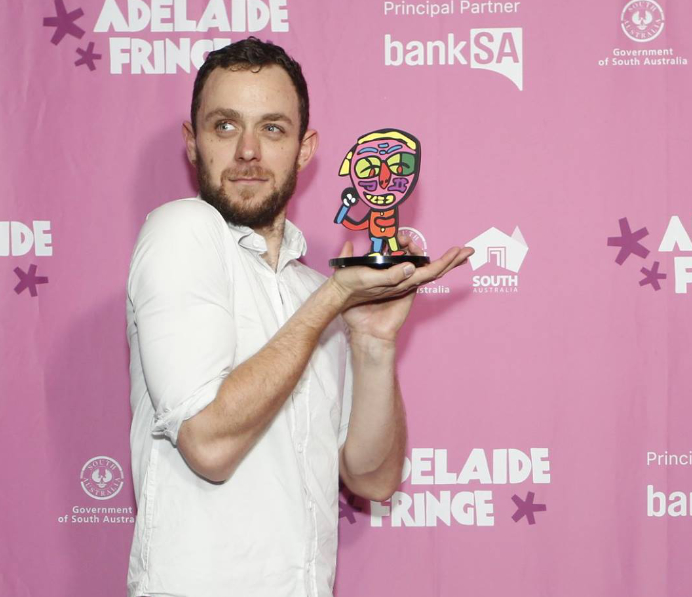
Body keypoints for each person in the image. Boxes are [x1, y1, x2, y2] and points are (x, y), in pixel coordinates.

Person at [124, 37, 472, 597]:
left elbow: (372, 476)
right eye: (224, 126)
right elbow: (209, 447)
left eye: (272, 128)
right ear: (192, 143)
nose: (247, 152)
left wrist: (373, 341)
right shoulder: (181, 231)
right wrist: (334, 300)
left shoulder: (313, 291)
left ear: (305, 149)